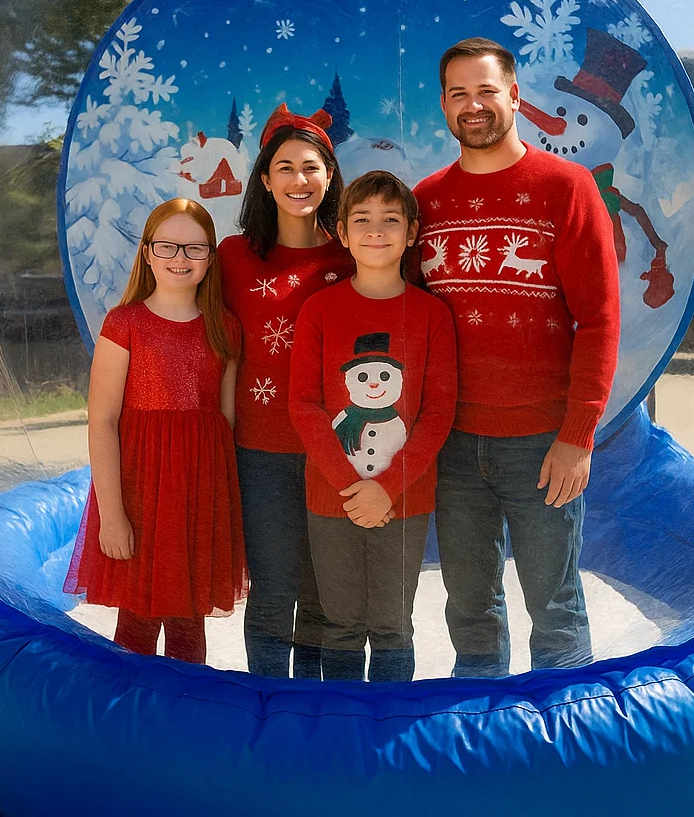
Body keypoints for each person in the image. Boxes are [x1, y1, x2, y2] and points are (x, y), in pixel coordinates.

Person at [414, 37, 621, 676]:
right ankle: (480, 732)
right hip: (451, 441)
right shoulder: (426, 200)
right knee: (469, 605)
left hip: (541, 442)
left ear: (514, 97)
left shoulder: (567, 187)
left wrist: (577, 436)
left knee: (555, 606)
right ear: (444, 106)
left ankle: (565, 746)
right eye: (458, 94)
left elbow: (600, 320)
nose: (472, 106)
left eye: (485, 91)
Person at [289, 171, 457, 681]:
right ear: (342, 232)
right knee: (339, 623)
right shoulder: (319, 309)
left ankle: (389, 740)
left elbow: (437, 412)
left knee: (391, 625)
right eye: (362, 220)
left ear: (412, 232)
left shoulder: (432, 315)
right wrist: (350, 486)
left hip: (404, 499)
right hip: (331, 497)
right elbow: (304, 405)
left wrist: (385, 488)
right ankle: (341, 740)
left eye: (390, 220)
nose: (376, 231)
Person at [64, 198, 246, 665]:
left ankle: (185, 726)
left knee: (190, 623)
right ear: (147, 253)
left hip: (197, 499)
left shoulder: (224, 326)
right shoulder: (124, 324)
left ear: (210, 258)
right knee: (137, 622)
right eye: (167, 246)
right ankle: (128, 728)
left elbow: (223, 422)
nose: (180, 258)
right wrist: (112, 514)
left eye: (194, 248)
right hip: (140, 496)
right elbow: (102, 420)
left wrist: (218, 514)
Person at [218, 104, 354, 679]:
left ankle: (320, 720)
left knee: (326, 595)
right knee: (273, 594)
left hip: (337, 451)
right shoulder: (233, 256)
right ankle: (272, 719)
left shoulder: (353, 254)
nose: (299, 180)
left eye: (311, 167)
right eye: (285, 167)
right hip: (261, 452)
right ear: (266, 179)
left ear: (329, 175)